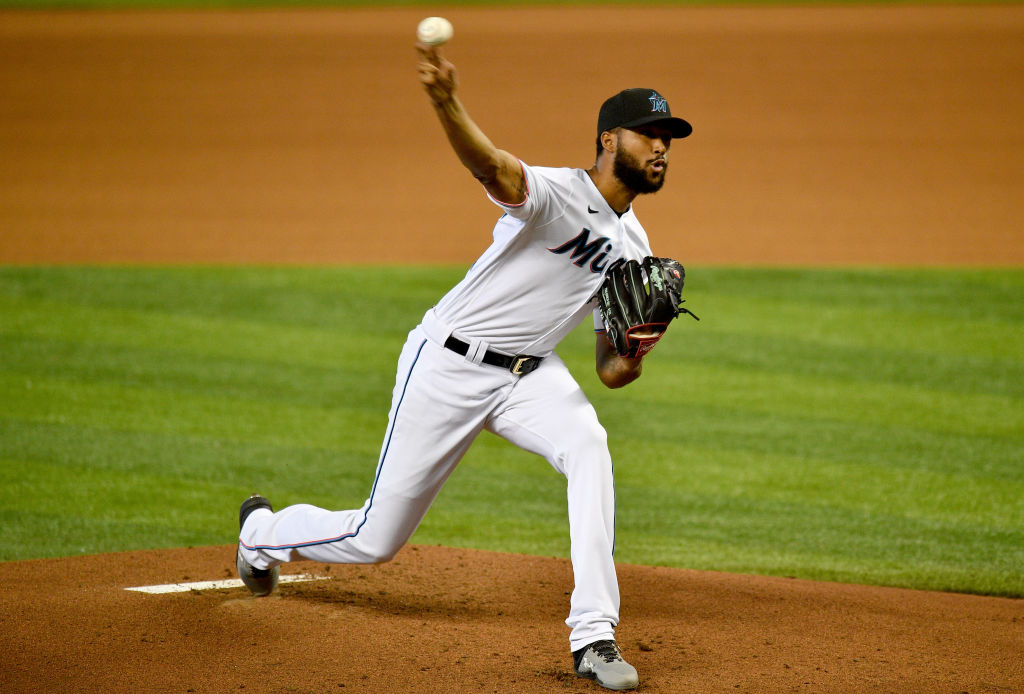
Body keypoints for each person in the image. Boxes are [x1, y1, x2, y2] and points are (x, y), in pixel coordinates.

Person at [235, 42, 692, 692]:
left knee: (589, 445)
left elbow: (610, 371)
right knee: (376, 539)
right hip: (447, 364)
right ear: (609, 138)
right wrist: (447, 100)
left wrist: (642, 341)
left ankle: (593, 636)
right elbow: (491, 165)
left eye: (668, 138)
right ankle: (261, 532)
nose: (661, 148)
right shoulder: (558, 194)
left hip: (527, 376)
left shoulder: (634, 246)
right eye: (650, 135)